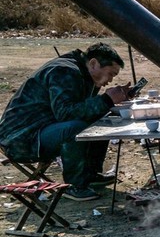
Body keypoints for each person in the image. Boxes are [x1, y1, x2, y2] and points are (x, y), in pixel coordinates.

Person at [0, 43, 130, 202]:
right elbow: (65, 114)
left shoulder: (83, 73)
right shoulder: (65, 71)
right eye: (110, 74)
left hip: (39, 130)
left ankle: (90, 175)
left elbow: (82, 109)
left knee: (100, 119)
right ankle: (75, 185)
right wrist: (106, 99)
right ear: (94, 63)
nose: (110, 80)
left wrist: (110, 102)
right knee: (75, 129)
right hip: (20, 138)